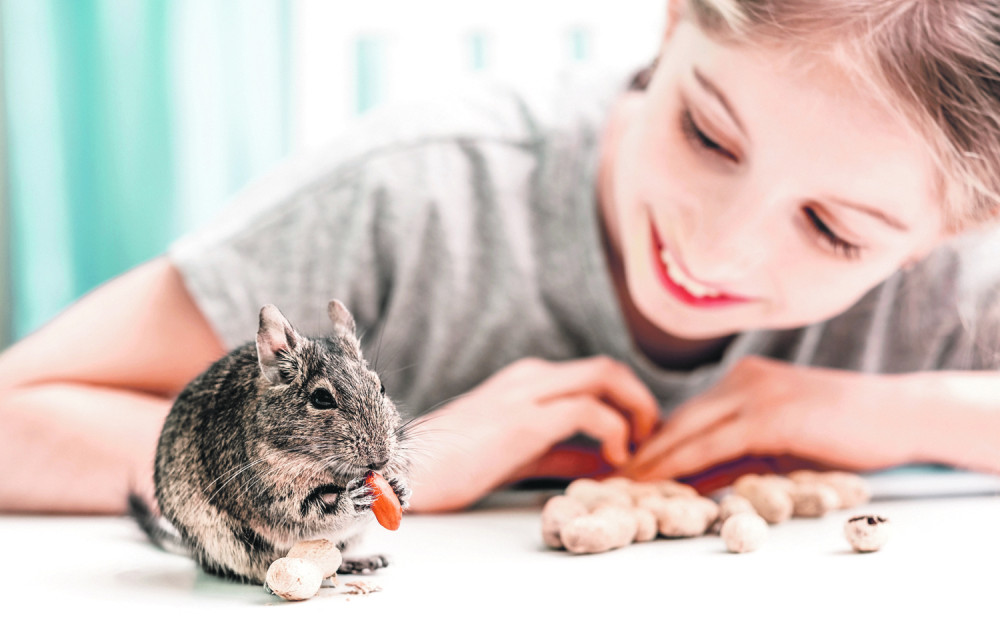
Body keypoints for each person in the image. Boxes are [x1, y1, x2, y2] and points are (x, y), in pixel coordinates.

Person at [3, 0, 1000, 515]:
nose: (715, 244)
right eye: (706, 133)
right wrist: (388, 472)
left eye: (833, 231)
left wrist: (880, 409)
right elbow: (15, 420)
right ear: (667, 21)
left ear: (950, 234)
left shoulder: (955, 280)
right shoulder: (417, 196)